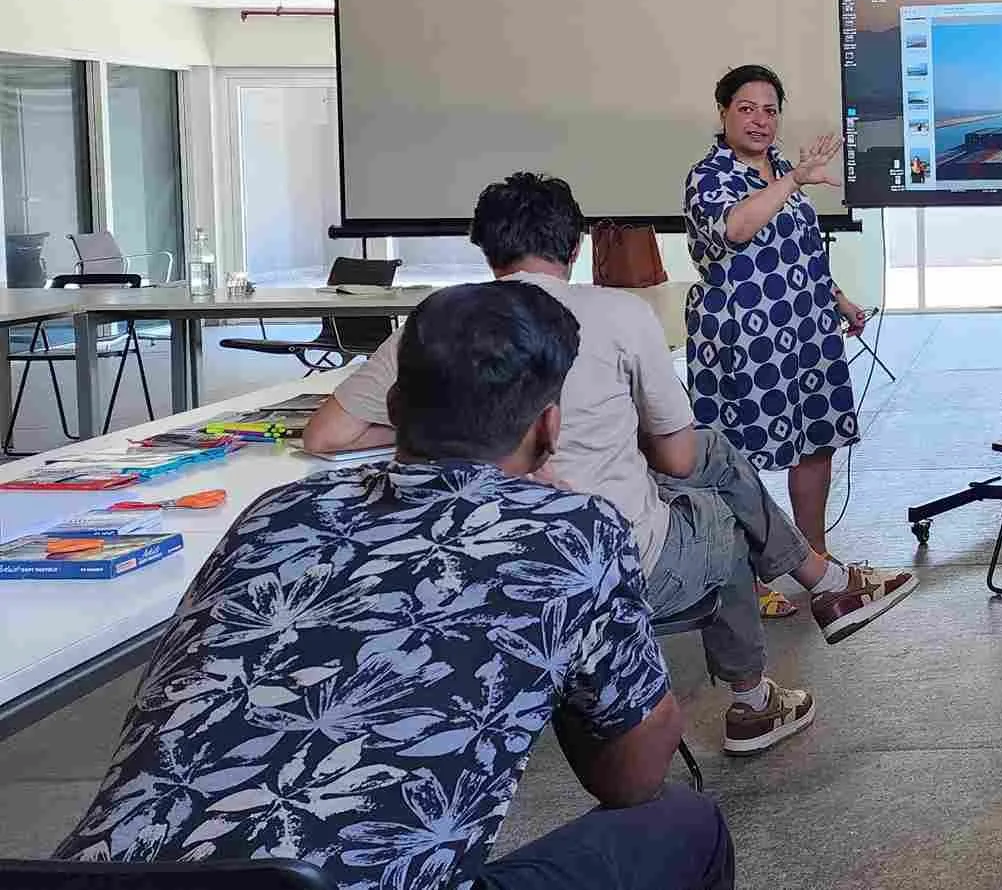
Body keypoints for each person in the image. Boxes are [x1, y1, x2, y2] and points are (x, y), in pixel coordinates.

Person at [55, 282, 734, 890]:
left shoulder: (276, 512)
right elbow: (632, 778)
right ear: (549, 425)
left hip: (76, 883)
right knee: (683, 821)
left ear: (396, 405)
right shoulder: (571, 531)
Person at [306, 172, 912, 757]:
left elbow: (326, 435)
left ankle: (824, 586)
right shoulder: (617, 314)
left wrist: (453, 422)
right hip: (603, 568)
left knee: (714, 463)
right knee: (715, 508)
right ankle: (761, 687)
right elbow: (676, 457)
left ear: (485, 245)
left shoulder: (434, 321)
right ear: (576, 245)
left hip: (461, 570)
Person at [683, 64, 867, 567]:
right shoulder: (710, 176)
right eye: (747, 109)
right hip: (745, 337)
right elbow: (737, 228)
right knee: (741, 454)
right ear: (723, 113)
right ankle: (750, 574)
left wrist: (838, 299)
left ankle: (816, 557)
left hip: (807, 328)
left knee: (818, 440)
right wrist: (792, 179)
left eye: (770, 110)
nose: (760, 121)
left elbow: (798, 251)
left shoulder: (781, 167)